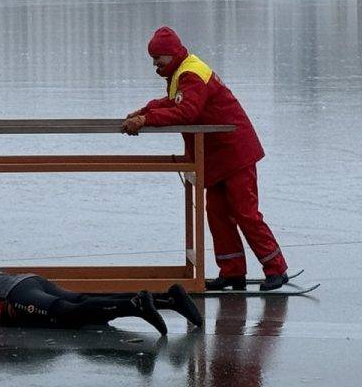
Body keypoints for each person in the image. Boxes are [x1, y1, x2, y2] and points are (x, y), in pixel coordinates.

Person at [122, 25, 292, 291]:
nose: (155, 64)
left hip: (235, 153)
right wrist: (144, 111)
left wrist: (146, 119)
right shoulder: (181, 72)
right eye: (153, 59)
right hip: (216, 157)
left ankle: (277, 269)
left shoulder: (191, 73)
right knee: (217, 214)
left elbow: (186, 112)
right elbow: (173, 102)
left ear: (171, 53)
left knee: (245, 213)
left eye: (158, 58)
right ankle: (233, 272)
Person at [0, 241, 206, 334]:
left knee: (68, 314)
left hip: (10, 301)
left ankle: (136, 307)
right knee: (81, 299)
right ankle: (169, 299)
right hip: (27, 281)